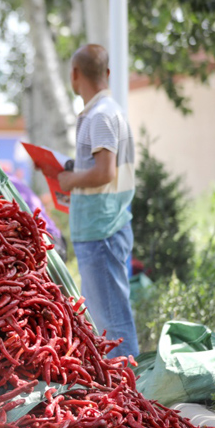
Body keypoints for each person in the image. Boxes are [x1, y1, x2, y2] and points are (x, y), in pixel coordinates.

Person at [58, 44, 137, 360]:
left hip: (101, 230)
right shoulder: (107, 112)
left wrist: (69, 180)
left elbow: (104, 171)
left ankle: (132, 398)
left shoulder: (101, 116)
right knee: (106, 321)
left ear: (74, 75)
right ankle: (126, 398)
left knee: (112, 326)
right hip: (103, 227)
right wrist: (71, 171)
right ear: (107, 73)